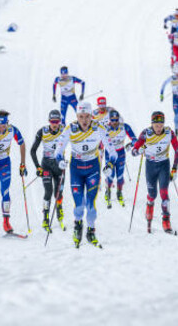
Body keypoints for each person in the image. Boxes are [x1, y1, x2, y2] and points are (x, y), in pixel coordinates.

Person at [55, 102, 117, 247]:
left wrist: (110, 165)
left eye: (87, 116)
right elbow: (58, 150)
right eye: (81, 116)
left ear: (91, 116)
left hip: (93, 168)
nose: (84, 120)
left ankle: (91, 230)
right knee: (79, 205)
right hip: (76, 168)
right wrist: (59, 161)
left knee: (90, 205)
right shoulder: (70, 128)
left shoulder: (99, 128)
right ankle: (77, 226)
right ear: (77, 116)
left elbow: (112, 151)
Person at [131, 111, 178, 234]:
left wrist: (174, 168)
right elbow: (133, 152)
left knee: (164, 193)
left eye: (161, 125)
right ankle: (149, 207)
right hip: (151, 166)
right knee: (152, 194)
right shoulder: (145, 133)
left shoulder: (169, 132)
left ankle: (166, 219)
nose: (158, 128)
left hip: (164, 164)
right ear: (152, 124)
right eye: (156, 125)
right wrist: (139, 150)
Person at [30, 110, 65, 233]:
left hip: (60, 165)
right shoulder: (42, 131)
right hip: (47, 165)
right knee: (48, 192)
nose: (54, 124)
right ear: (49, 121)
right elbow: (33, 150)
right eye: (52, 121)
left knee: (58, 193)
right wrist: (38, 167)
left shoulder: (65, 130)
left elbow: (77, 142)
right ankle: (45, 218)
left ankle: (59, 209)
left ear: (59, 121)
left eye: (56, 121)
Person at [103, 110, 136, 208]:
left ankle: (119, 193)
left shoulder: (124, 126)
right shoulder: (105, 128)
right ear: (109, 119)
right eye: (112, 120)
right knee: (110, 175)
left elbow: (135, 139)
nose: (114, 122)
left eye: (116, 120)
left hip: (121, 153)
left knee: (120, 176)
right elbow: (98, 141)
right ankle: (108, 192)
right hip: (109, 154)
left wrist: (131, 144)